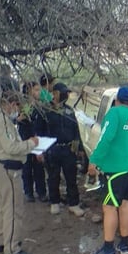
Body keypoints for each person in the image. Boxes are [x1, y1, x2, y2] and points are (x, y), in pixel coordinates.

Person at [88, 86, 128, 254]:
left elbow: (106, 138)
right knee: (124, 204)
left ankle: (108, 249)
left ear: (116, 100)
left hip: (115, 169)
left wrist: (94, 161)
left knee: (109, 207)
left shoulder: (114, 114)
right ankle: (124, 244)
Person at [0, 91, 39, 254]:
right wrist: (31, 143)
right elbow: (11, 147)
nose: (16, 109)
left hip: (0, 167)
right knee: (13, 209)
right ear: (9, 104)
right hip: (8, 168)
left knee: (2, 207)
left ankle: (1, 240)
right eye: (16, 105)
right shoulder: (1, 120)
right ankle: (12, 248)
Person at [41, 82, 85, 217]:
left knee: (71, 178)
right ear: (55, 94)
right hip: (52, 149)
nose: (66, 95)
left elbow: (76, 130)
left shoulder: (69, 110)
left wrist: (80, 148)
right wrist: (40, 151)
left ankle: (73, 204)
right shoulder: (46, 110)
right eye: (63, 93)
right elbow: (40, 132)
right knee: (53, 177)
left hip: (68, 150)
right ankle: (54, 202)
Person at [18, 81, 48, 202]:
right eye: (35, 90)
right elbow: (24, 125)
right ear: (29, 92)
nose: (38, 92)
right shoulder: (25, 107)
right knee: (27, 167)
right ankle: (28, 192)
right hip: (27, 141)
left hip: (38, 141)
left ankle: (41, 192)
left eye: (38, 89)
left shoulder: (40, 106)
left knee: (39, 168)